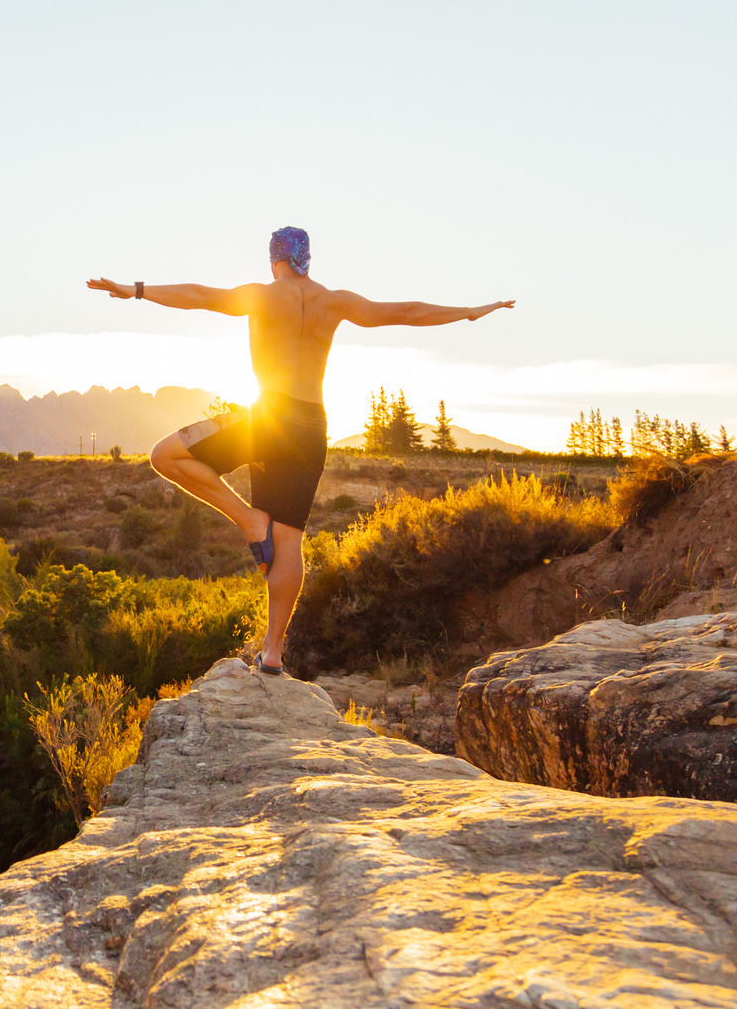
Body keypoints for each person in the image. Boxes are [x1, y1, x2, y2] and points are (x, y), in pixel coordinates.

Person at [88, 226, 514, 676]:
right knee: (289, 537)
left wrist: (134, 290)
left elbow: (197, 295)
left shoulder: (262, 295)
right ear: (308, 258)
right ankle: (273, 653)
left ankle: (249, 519)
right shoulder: (336, 301)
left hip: (267, 418)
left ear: (274, 259)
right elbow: (407, 311)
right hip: (311, 426)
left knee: (165, 455)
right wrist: (470, 312)